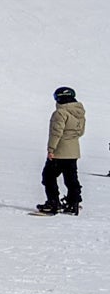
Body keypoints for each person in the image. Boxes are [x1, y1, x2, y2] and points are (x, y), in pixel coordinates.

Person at [38, 86, 85, 215]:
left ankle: (53, 203)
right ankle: (73, 202)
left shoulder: (60, 113)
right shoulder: (80, 113)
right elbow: (80, 132)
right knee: (71, 178)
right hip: (73, 151)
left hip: (60, 151)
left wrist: (51, 149)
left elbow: (56, 133)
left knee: (48, 177)